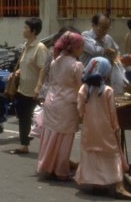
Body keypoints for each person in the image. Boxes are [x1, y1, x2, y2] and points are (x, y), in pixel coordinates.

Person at [74, 57, 131, 200]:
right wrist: (116, 129)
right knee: (113, 154)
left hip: (89, 130)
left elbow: (80, 110)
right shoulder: (108, 91)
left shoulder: (83, 89)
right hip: (105, 130)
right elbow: (112, 115)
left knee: (92, 154)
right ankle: (119, 187)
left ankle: (97, 184)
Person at [36, 31, 84, 181]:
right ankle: (61, 171)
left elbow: (51, 81)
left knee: (50, 136)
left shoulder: (55, 61)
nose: (83, 49)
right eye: (81, 46)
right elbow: (81, 88)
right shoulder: (77, 65)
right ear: (75, 48)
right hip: (67, 105)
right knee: (64, 139)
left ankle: (48, 166)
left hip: (51, 102)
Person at [9, 18, 48, 155]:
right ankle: (24, 145)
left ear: (33, 31)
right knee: (23, 116)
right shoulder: (26, 45)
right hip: (23, 88)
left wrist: (38, 87)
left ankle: (48, 147)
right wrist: (17, 72)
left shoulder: (40, 47)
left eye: (26, 28)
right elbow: (25, 64)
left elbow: (43, 68)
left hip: (35, 91)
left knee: (41, 119)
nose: (23, 30)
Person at [80, 13, 128, 94]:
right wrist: (106, 50)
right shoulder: (85, 36)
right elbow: (94, 50)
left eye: (107, 28)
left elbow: (116, 51)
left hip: (105, 80)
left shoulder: (108, 39)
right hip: (88, 79)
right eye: (102, 28)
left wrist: (117, 60)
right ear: (93, 25)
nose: (104, 31)